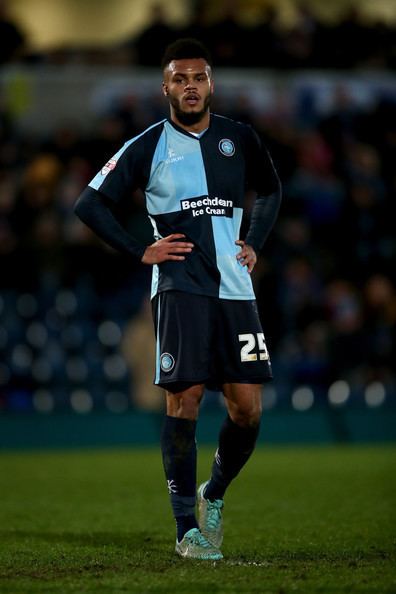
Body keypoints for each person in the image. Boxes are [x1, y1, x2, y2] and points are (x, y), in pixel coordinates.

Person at [74, 38, 281, 561]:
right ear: (164, 87)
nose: (190, 87)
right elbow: (89, 203)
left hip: (235, 289)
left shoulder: (240, 138)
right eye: (180, 79)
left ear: (211, 84)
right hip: (179, 286)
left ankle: (214, 491)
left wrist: (253, 241)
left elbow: (272, 189)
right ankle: (186, 529)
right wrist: (140, 249)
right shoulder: (148, 145)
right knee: (184, 399)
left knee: (248, 410)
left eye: (199, 78)